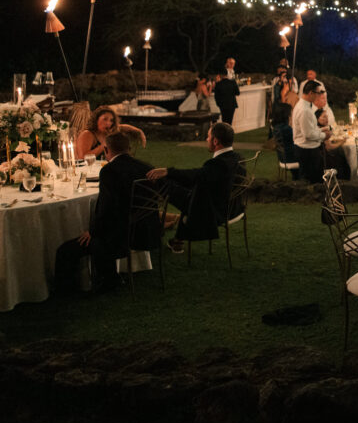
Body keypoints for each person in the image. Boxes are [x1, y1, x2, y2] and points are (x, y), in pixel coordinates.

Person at [54, 130, 155, 294]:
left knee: (66, 250)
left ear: (106, 150)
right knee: (100, 236)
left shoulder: (110, 171)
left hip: (121, 236)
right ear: (128, 148)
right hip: (144, 230)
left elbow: (108, 209)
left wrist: (92, 232)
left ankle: (67, 291)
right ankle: (110, 278)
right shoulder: (145, 167)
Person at [146, 122, 245, 252]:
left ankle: (150, 227)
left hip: (214, 210)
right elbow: (199, 176)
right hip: (230, 205)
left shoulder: (218, 164)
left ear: (215, 141)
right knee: (182, 189)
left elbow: (196, 175)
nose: (206, 139)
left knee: (161, 184)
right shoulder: (236, 158)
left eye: (208, 137)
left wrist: (168, 171)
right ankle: (176, 239)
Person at [291, 81, 331, 182]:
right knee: (312, 180)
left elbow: (308, 128)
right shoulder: (304, 110)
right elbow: (308, 134)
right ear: (310, 93)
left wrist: (321, 129)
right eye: (318, 93)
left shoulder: (303, 105)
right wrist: (324, 135)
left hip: (305, 148)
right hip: (307, 150)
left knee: (310, 178)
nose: (319, 96)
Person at [74, 107, 147, 160]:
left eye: (111, 120)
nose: (108, 123)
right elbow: (82, 157)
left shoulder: (107, 131)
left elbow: (123, 127)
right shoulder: (88, 134)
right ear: (96, 119)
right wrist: (104, 144)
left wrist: (139, 132)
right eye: (105, 119)